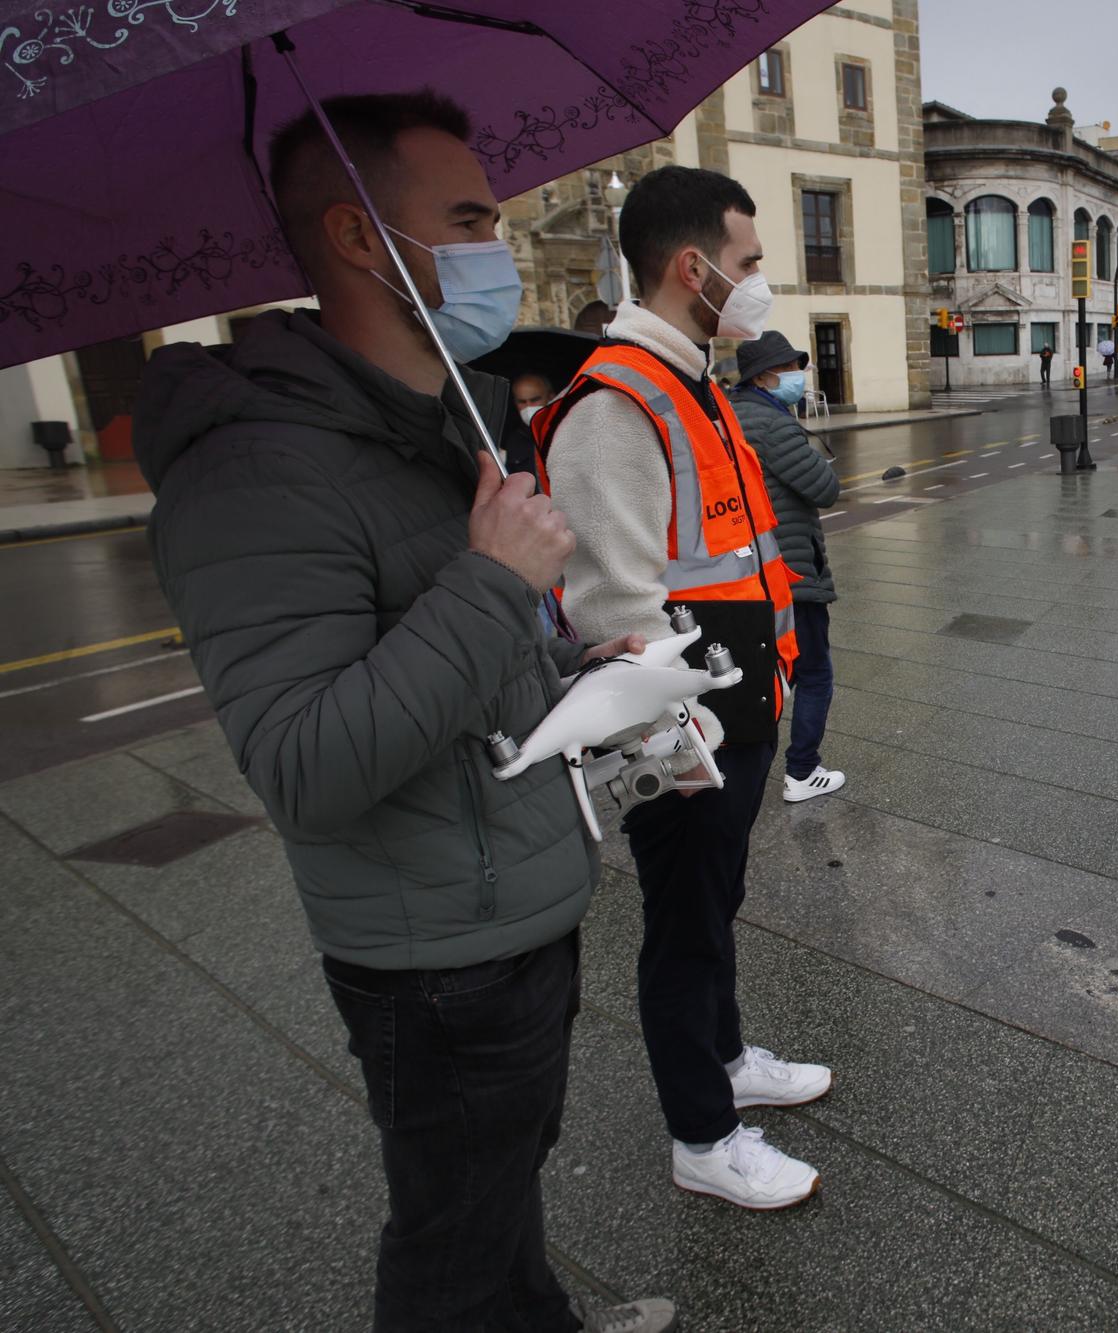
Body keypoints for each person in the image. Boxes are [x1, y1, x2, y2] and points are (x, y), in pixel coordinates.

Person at [133, 91, 673, 1333]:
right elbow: (304, 764)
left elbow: (457, 658)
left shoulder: (433, 423)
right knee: (451, 1236)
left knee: (502, 1187)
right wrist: (493, 581)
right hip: (438, 952)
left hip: (511, 897)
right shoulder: (256, 469)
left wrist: (586, 657)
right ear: (362, 238)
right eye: (473, 218)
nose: (503, 241)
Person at [536, 165, 829, 1211]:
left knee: (715, 905)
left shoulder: (689, 379)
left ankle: (725, 1054)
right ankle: (701, 1135)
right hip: (686, 732)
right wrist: (681, 754)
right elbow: (617, 606)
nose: (758, 285)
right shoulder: (617, 401)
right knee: (685, 921)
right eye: (747, 264)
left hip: (733, 711)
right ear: (690, 267)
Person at [727, 330, 847, 804]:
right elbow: (824, 487)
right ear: (765, 376)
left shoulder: (728, 414)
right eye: (791, 368)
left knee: (759, 674)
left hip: (744, 572)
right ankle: (802, 771)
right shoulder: (773, 425)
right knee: (813, 672)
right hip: (790, 572)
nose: (799, 376)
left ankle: (737, 770)